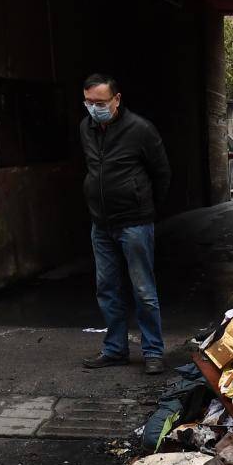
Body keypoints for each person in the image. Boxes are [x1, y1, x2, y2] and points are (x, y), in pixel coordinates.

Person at [79, 73, 171, 375]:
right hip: (101, 224)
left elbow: (161, 173)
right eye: (89, 102)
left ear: (117, 99)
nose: (94, 108)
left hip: (134, 223)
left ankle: (153, 352)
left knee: (143, 289)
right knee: (106, 288)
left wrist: (147, 209)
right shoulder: (86, 128)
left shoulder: (140, 130)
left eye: (101, 102)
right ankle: (115, 350)